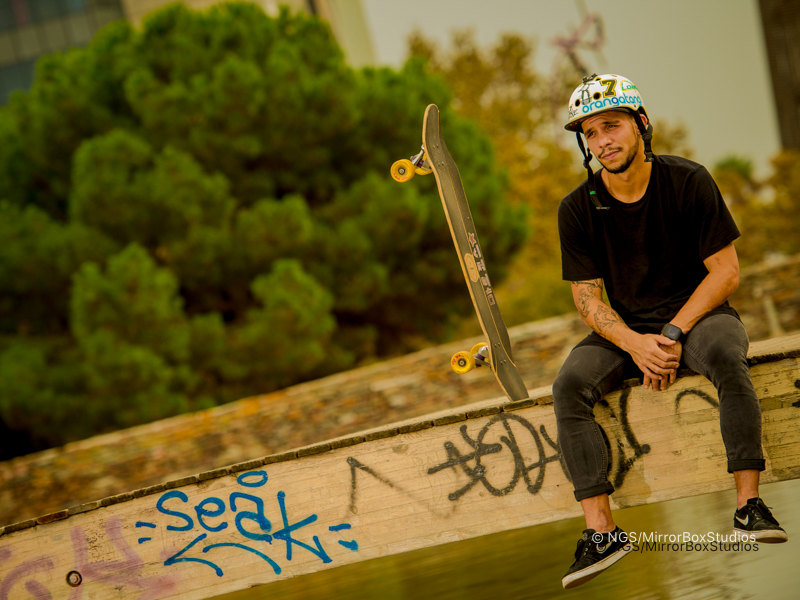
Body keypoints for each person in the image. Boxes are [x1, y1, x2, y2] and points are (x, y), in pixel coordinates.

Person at [554, 73, 788, 589]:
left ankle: (748, 505)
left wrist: (673, 333)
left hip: (698, 316)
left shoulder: (688, 180)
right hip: (628, 332)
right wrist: (637, 344)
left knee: (726, 355)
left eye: (611, 126)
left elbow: (725, 272)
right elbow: (587, 299)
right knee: (568, 385)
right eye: (590, 134)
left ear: (640, 124)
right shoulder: (576, 208)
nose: (601, 141)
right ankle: (602, 532)